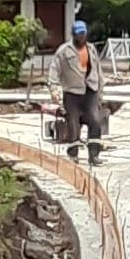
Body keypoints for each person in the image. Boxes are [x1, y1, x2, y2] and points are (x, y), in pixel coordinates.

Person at [51, 20, 105, 165]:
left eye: (84, 34)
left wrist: (100, 94)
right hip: (72, 94)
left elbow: (98, 72)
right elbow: (54, 72)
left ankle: (94, 155)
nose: (81, 37)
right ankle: (73, 154)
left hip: (90, 92)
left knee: (95, 122)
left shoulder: (91, 49)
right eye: (79, 34)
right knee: (73, 124)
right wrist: (54, 90)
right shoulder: (64, 51)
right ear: (73, 34)